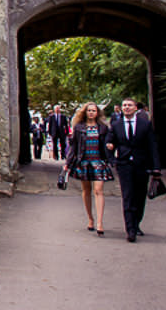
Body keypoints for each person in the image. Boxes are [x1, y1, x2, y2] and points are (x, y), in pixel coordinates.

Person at [106, 97, 160, 243]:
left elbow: (152, 146)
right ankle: (130, 230)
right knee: (128, 196)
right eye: (124, 105)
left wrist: (156, 167)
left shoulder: (145, 125)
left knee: (140, 196)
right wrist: (112, 160)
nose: (126, 107)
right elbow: (108, 143)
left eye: (129, 105)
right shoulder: (116, 125)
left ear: (135, 108)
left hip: (141, 164)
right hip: (124, 165)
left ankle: (136, 223)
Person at [65, 102, 114, 235]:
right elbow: (74, 147)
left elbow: (108, 143)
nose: (91, 113)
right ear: (85, 112)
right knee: (86, 190)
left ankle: (100, 222)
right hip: (84, 162)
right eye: (89, 110)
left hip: (99, 161)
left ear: (97, 113)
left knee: (98, 190)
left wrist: (111, 155)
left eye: (93, 110)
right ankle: (90, 218)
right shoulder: (79, 127)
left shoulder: (103, 128)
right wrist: (68, 163)